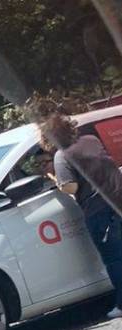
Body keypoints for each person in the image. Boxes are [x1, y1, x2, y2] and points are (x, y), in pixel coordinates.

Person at [38, 112, 122, 319]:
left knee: (114, 258)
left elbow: (71, 187)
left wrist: (57, 181)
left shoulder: (62, 156)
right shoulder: (91, 140)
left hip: (98, 211)